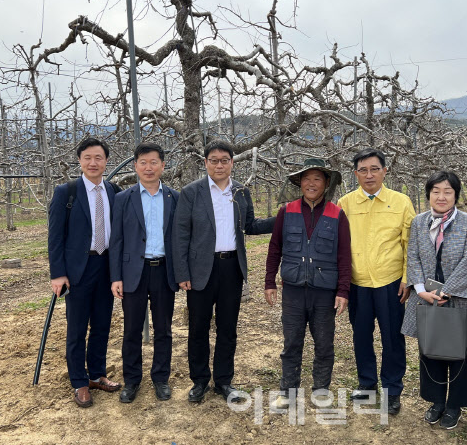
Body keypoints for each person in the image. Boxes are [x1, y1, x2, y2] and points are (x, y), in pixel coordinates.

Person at [172, 140, 275, 404]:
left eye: (224, 160)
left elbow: (250, 225)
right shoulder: (191, 192)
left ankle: (224, 381)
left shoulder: (241, 191)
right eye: (214, 160)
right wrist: (182, 271)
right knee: (198, 328)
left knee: (227, 327)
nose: (219, 165)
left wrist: (282, 218)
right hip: (200, 269)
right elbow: (181, 234)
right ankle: (199, 381)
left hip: (231, 268)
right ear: (206, 162)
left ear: (232, 162)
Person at [400, 171, 467, 430]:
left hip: (460, 297)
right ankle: (437, 401)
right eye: (436, 191)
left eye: (447, 191)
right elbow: (414, 256)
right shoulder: (419, 222)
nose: (441, 196)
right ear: (428, 194)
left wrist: (446, 291)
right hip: (426, 296)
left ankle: (455, 405)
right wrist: (420, 289)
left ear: (455, 195)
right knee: (431, 348)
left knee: (459, 353)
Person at [264, 158, 351, 408]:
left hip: (324, 292)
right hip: (292, 290)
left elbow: (344, 255)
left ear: (326, 184)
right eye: (306, 178)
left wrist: (343, 290)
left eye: (317, 179)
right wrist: (270, 281)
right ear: (300, 183)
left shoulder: (337, 214)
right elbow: (274, 249)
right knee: (292, 341)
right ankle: (288, 391)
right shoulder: (286, 211)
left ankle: (321, 389)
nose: (311, 183)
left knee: (324, 342)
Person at [337, 148, 415, 415]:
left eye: (374, 169)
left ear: (385, 171)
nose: (368, 175)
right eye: (362, 170)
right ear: (356, 173)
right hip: (358, 283)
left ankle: (392, 390)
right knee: (361, 336)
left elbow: (410, 244)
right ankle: (367, 384)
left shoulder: (401, 202)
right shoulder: (345, 203)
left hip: (390, 282)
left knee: (393, 337)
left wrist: (407, 278)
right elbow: (338, 245)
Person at [47, 137, 122, 407]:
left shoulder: (114, 190)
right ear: (80, 160)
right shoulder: (66, 192)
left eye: (98, 158)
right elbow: (55, 237)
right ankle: (79, 381)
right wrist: (58, 274)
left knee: (102, 324)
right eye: (88, 157)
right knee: (77, 328)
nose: (93, 163)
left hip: (106, 266)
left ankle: (98, 374)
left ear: (105, 161)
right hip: (78, 269)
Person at [109, 143, 180, 403]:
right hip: (132, 273)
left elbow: (180, 239)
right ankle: (132, 380)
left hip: (163, 271)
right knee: (131, 330)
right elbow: (116, 240)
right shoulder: (123, 199)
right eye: (142, 162)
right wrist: (116, 276)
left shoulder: (174, 197)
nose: (148, 167)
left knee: (163, 329)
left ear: (163, 165)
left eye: (153, 162)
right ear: (135, 166)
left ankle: (160, 378)